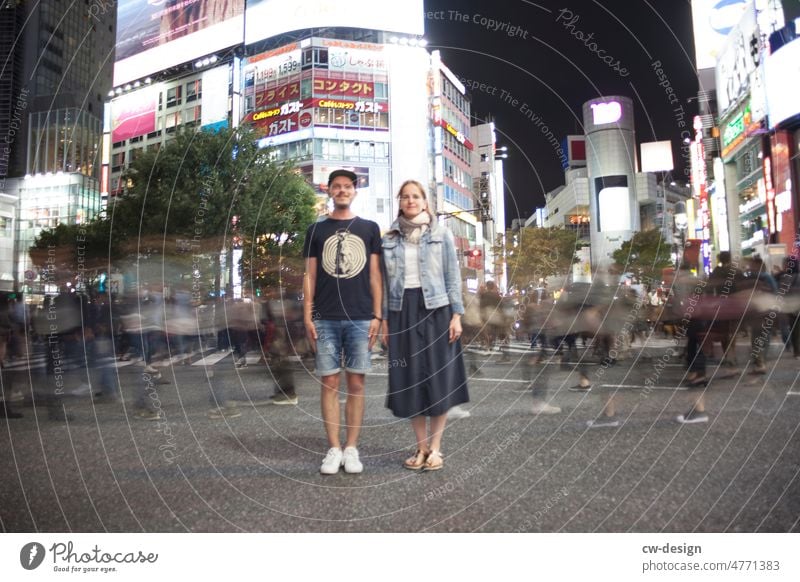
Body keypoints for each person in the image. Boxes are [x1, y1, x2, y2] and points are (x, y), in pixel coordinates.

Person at [381, 180, 469, 471]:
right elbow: (382, 283)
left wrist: (456, 314)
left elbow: (452, 275)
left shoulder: (441, 234)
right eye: (405, 196)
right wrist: (383, 320)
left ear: (424, 201)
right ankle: (420, 448)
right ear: (400, 202)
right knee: (410, 380)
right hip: (401, 310)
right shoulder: (389, 238)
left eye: (415, 196)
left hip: (437, 309)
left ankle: (436, 449)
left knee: (438, 379)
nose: (410, 200)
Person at [303, 169, 382, 475]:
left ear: (354, 191)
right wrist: (307, 313)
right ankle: (333, 448)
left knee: (357, 383)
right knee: (329, 381)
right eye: (336, 186)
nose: (342, 191)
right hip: (325, 317)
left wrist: (378, 315)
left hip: (361, 316)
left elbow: (375, 275)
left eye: (347, 186)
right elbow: (310, 275)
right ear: (329, 191)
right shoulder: (315, 231)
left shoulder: (370, 228)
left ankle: (352, 448)